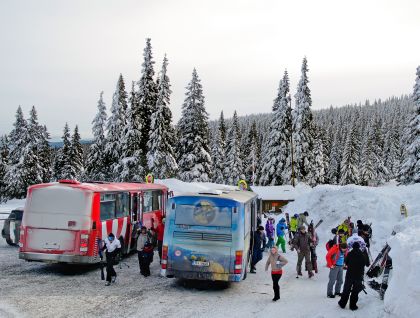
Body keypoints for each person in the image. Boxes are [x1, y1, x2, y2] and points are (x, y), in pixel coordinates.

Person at [338, 242, 370, 311]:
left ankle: (342, 304)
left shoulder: (350, 253)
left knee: (346, 290)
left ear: (353, 247)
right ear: (359, 247)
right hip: (359, 276)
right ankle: (353, 306)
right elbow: (367, 264)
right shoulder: (363, 254)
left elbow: (346, 262)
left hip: (349, 275)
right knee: (355, 291)